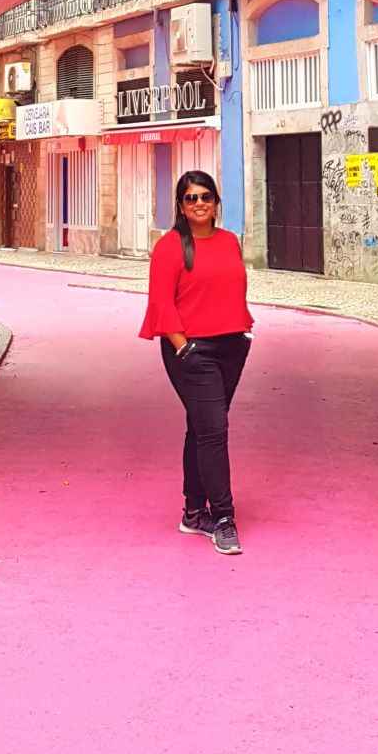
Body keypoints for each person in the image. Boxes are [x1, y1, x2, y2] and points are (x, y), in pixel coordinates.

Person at [139, 171, 253, 556]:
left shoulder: (229, 242)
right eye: (191, 198)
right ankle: (223, 518)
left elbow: (233, 288)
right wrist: (183, 347)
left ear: (216, 202)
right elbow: (161, 302)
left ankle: (192, 512)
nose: (199, 203)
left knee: (201, 428)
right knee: (214, 430)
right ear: (181, 206)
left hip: (232, 346)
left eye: (205, 196)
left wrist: (244, 331)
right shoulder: (170, 247)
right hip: (190, 350)